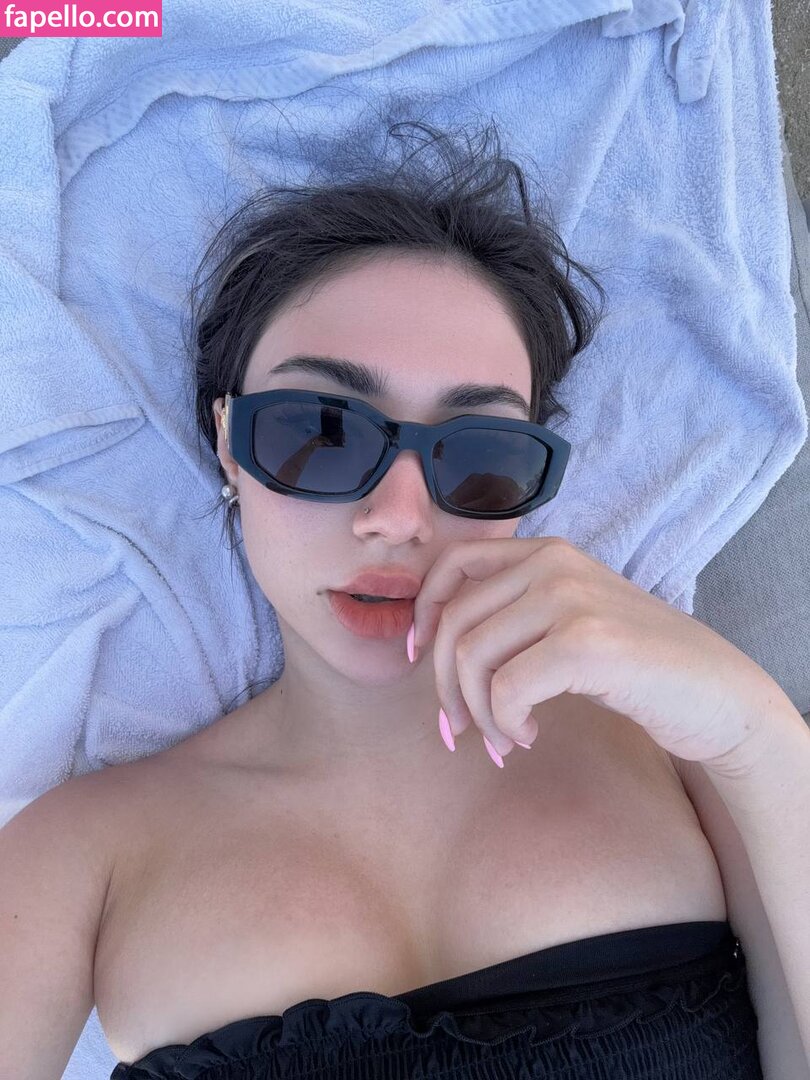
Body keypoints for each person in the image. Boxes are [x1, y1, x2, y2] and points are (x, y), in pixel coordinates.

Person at [2, 118, 768, 1080]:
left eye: (480, 453)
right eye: (320, 433)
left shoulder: (686, 736)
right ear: (231, 442)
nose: (399, 519)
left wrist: (755, 731)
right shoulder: (80, 853)